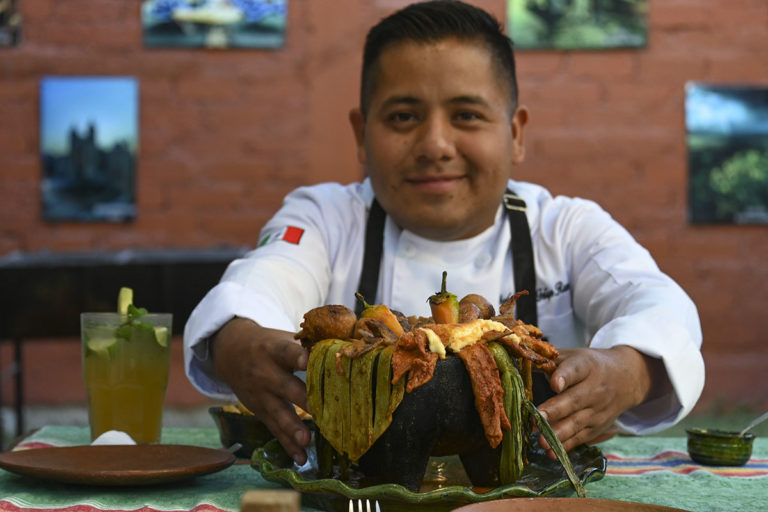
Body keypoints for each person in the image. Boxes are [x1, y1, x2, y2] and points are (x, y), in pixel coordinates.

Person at [184, 0, 704, 466]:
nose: (435, 143)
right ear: (360, 135)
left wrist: (630, 369)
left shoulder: (566, 227)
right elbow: (258, 284)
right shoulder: (324, 217)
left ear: (516, 133)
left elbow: (658, 304)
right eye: (404, 116)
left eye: (467, 115)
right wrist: (238, 338)